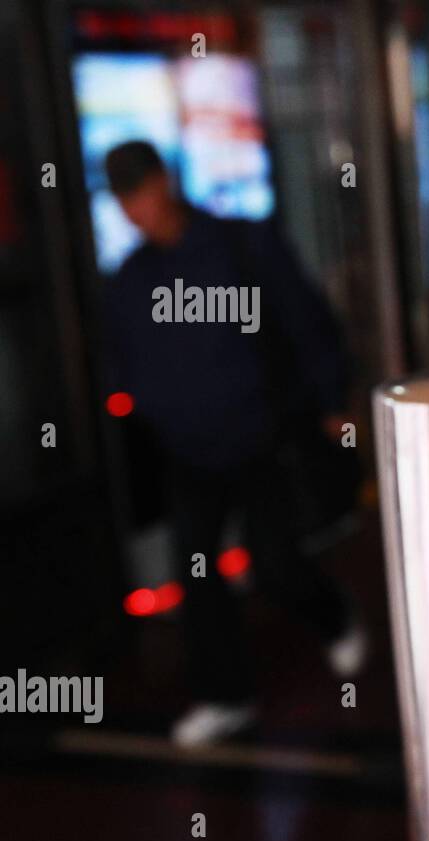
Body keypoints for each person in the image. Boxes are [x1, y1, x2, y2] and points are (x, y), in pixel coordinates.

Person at [101, 140, 366, 747]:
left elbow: (305, 319)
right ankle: (225, 695)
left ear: (163, 181)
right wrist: (148, 406)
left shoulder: (242, 244)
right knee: (196, 573)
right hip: (190, 451)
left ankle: (334, 615)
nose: (135, 206)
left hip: (265, 436)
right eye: (123, 196)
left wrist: (331, 401)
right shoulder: (131, 280)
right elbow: (122, 363)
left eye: (139, 189)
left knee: (273, 561)